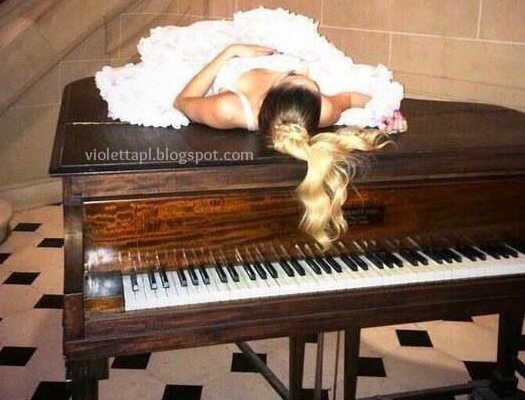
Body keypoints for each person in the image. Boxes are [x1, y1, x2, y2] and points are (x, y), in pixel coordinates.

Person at [174, 41, 407, 247]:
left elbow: (182, 100)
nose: (295, 71)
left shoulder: (319, 109)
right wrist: (230, 51)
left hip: (253, 54)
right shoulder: (232, 108)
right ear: (270, 94)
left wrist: (385, 113)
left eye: (312, 83)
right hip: (264, 49)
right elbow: (351, 96)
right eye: (296, 76)